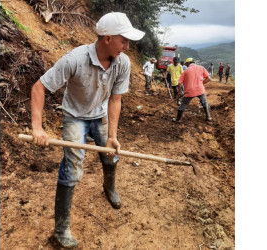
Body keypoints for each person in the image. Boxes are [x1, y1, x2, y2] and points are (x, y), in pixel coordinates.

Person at [30, 12, 145, 248]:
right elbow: (39, 87)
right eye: (123, 41)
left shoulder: (122, 62)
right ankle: (61, 230)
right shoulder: (74, 59)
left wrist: (112, 136)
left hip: (100, 114)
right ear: (107, 38)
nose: (127, 46)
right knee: (72, 169)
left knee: (111, 154)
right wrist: (37, 127)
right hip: (75, 117)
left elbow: (115, 100)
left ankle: (109, 187)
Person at [173, 58, 212, 123]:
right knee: (204, 103)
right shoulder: (201, 68)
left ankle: (177, 119)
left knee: (184, 104)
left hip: (189, 91)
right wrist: (201, 84)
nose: (187, 65)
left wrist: (180, 92)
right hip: (200, 90)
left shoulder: (186, 70)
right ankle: (208, 117)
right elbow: (208, 78)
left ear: (188, 63)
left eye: (187, 64)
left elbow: (180, 83)